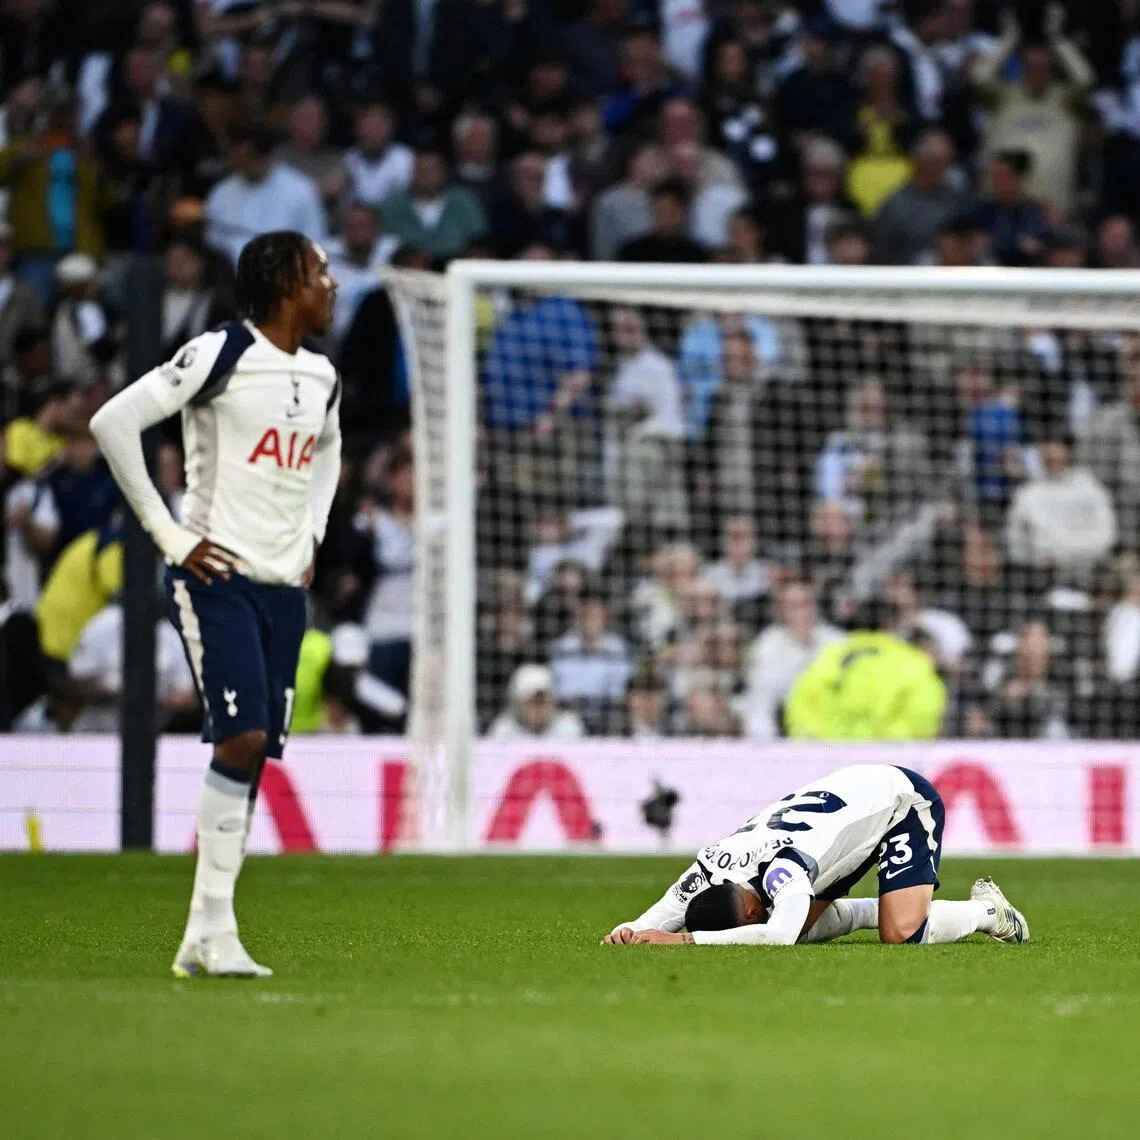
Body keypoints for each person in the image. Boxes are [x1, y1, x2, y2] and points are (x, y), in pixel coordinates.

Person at [90, 231, 342, 979]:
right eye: (320, 271)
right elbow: (114, 422)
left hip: (281, 584)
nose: (332, 284)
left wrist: (314, 533)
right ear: (285, 281)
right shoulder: (221, 353)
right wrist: (170, 536)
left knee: (253, 749)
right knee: (242, 739)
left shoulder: (324, 376)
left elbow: (328, 450)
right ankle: (213, 932)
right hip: (216, 575)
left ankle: (207, 935)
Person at [604, 763, 1029, 946]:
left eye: (759, 916)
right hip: (843, 816)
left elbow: (776, 935)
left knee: (902, 932)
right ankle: (869, 911)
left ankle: (989, 912)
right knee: (802, 925)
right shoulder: (711, 864)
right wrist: (626, 933)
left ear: (753, 911)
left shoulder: (783, 870)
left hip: (900, 800)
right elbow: (651, 921)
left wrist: (685, 941)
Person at [784, 627, 947, 741]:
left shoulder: (833, 654)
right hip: (882, 752)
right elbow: (921, 715)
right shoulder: (914, 668)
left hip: (827, 749)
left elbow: (804, 699)